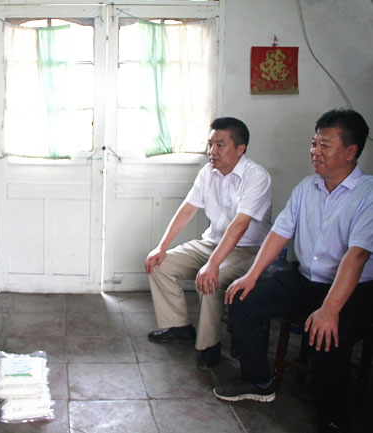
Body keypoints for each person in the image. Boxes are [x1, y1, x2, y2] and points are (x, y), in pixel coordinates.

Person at [215, 109, 372, 433]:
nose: (315, 151)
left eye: (324, 145)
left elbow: (356, 257)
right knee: (243, 298)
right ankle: (258, 380)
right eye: (314, 143)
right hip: (307, 279)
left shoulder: (368, 194)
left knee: (328, 334)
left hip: (353, 288)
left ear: (350, 151)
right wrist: (252, 275)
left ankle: (332, 417)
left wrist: (330, 309)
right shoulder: (306, 187)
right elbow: (279, 233)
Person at [145, 117, 272, 369]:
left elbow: (240, 225)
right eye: (210, 144)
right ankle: (179, 326)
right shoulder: (207, 172)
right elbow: (187, 209)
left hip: (247, 250)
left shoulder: (256, 177)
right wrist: (161, 246)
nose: (212, 151)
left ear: (240, 149)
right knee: (159, 264)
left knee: (212, 279)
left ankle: (209, 345)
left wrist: (213, 264)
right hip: (212, 243)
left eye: (220, 145)